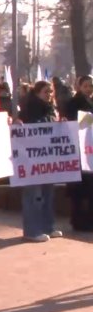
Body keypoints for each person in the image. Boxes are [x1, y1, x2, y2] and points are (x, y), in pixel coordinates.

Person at [18, 81, 63, 242]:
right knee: (33, 195)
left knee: (48, 194)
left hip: (47, 160)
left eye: (51, 92)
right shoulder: (29, 109)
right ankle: (32, 230)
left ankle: (48, 227)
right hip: (31, 161)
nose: (49, 94)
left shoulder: (51, 109)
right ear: (36, 93)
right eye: (46, 91)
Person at [65, 75, 93, 231]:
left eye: (91, 86)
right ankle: (78, 221)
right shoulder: (73, 103)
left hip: (90, 151)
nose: (89, 89)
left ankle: (89, 219)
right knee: (79, 190)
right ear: (79, 87)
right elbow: (71, 123)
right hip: (78, 151)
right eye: (86, 86)